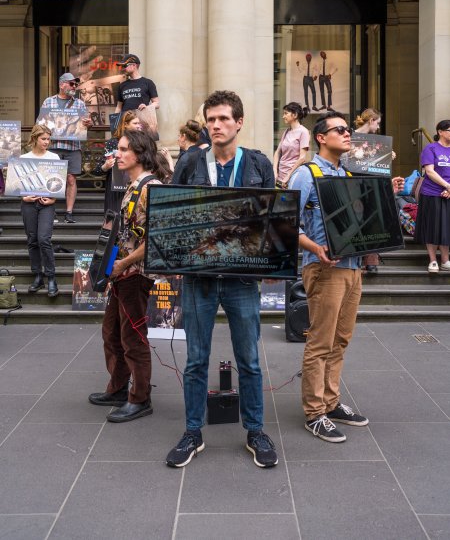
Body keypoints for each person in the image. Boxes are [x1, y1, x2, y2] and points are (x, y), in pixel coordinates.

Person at [165, 90, 278, 469]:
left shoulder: (259, 163)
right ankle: (193, 432)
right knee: (196, 359)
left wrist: (270, 264)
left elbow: (271, 219)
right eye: (211, 119)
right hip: (199, 276)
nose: (215, 125)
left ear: (239, 123)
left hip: (242, 277)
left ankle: (256, 431)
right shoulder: (190, 161)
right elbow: (174, 213)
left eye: (223, 119)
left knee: (249, 359)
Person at [289, 111, 404, 444]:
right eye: (341, 129)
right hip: (325, 268)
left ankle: (331, 401)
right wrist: (316, 246)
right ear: (321, 137)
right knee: (321, 342)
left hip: (353, 267)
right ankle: (315, 412)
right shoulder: (306, 174)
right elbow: (286, 223)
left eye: (349, 129)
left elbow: (362, 219)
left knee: (341, 340)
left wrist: (386, 191)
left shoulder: (348, 172)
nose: (348, 134)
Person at [88, 130, 161, 422]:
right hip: (121, 273)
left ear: (139, 153)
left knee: (133, 338)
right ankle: (118, 388)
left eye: (122, 149)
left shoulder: (149, 187)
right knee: (112, 333)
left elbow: (153, 237)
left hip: (135, 275)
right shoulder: (133, 185)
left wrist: (123, 263)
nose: (116, 154)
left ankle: (140, 397)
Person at [40, 72, 92, 223]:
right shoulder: (48, 102)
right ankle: (51, 211)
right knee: (51, 178)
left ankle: (69, 212)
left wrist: (88, 123)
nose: (74, 86)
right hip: (53, 146)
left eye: (75, 84)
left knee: (71, 179)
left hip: (73, 146)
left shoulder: (80, 103)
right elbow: (41, 124)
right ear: (61, 84)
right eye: (71, 83)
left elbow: (86, 123)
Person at [354, 108, 396, 272]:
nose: (378, 127)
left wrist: (387, 156)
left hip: (372, 184)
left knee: (372, 219)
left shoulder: (377, 142)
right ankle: (359, 257)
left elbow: (377, 165)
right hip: (353, 183)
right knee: (357, 220)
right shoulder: (349, 137)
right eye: (377, 123)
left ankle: (371, 260)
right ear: (371, 120)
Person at [20, 125, 60, 297]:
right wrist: (23, 197)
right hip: (28, 204)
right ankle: (38, 276)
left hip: (47, 205)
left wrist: (53, 199)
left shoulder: (54, 157)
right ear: (35, 138)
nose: (47, 142)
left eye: (48, 139)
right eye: (44, 139)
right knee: (32, 240)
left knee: (44, 238)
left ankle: (51, 277)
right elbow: (19, 183)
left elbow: (59, 182)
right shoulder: (24, 157)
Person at [414, 119, 450, 273]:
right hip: (431, 193)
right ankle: (433, 260)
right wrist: (447, 185)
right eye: (449, 129)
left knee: (446, 228)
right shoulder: (431, 148)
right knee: (432, 227)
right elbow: (429, 171)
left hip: (448, 193)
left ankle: (445, 260)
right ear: (440, 132)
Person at [92, 110, 144, 214]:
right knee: (114, 221)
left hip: (136, 186)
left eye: (139, 123)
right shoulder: (113, 142)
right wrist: (106, 166)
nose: (138, 126)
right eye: (135, 123)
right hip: (116, 189)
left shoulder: (142, 142)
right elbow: (97, 170)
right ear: (125, 125)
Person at [273, 102, 310, 189]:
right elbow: (277, 152)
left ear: (295, 115)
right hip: (280, 176)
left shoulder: (303, 132)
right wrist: (275, 171)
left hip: (293, 176)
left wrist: (288, 176)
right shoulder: (286, 131)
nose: (283, 116)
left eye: (286, 113)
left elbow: (302, 158)